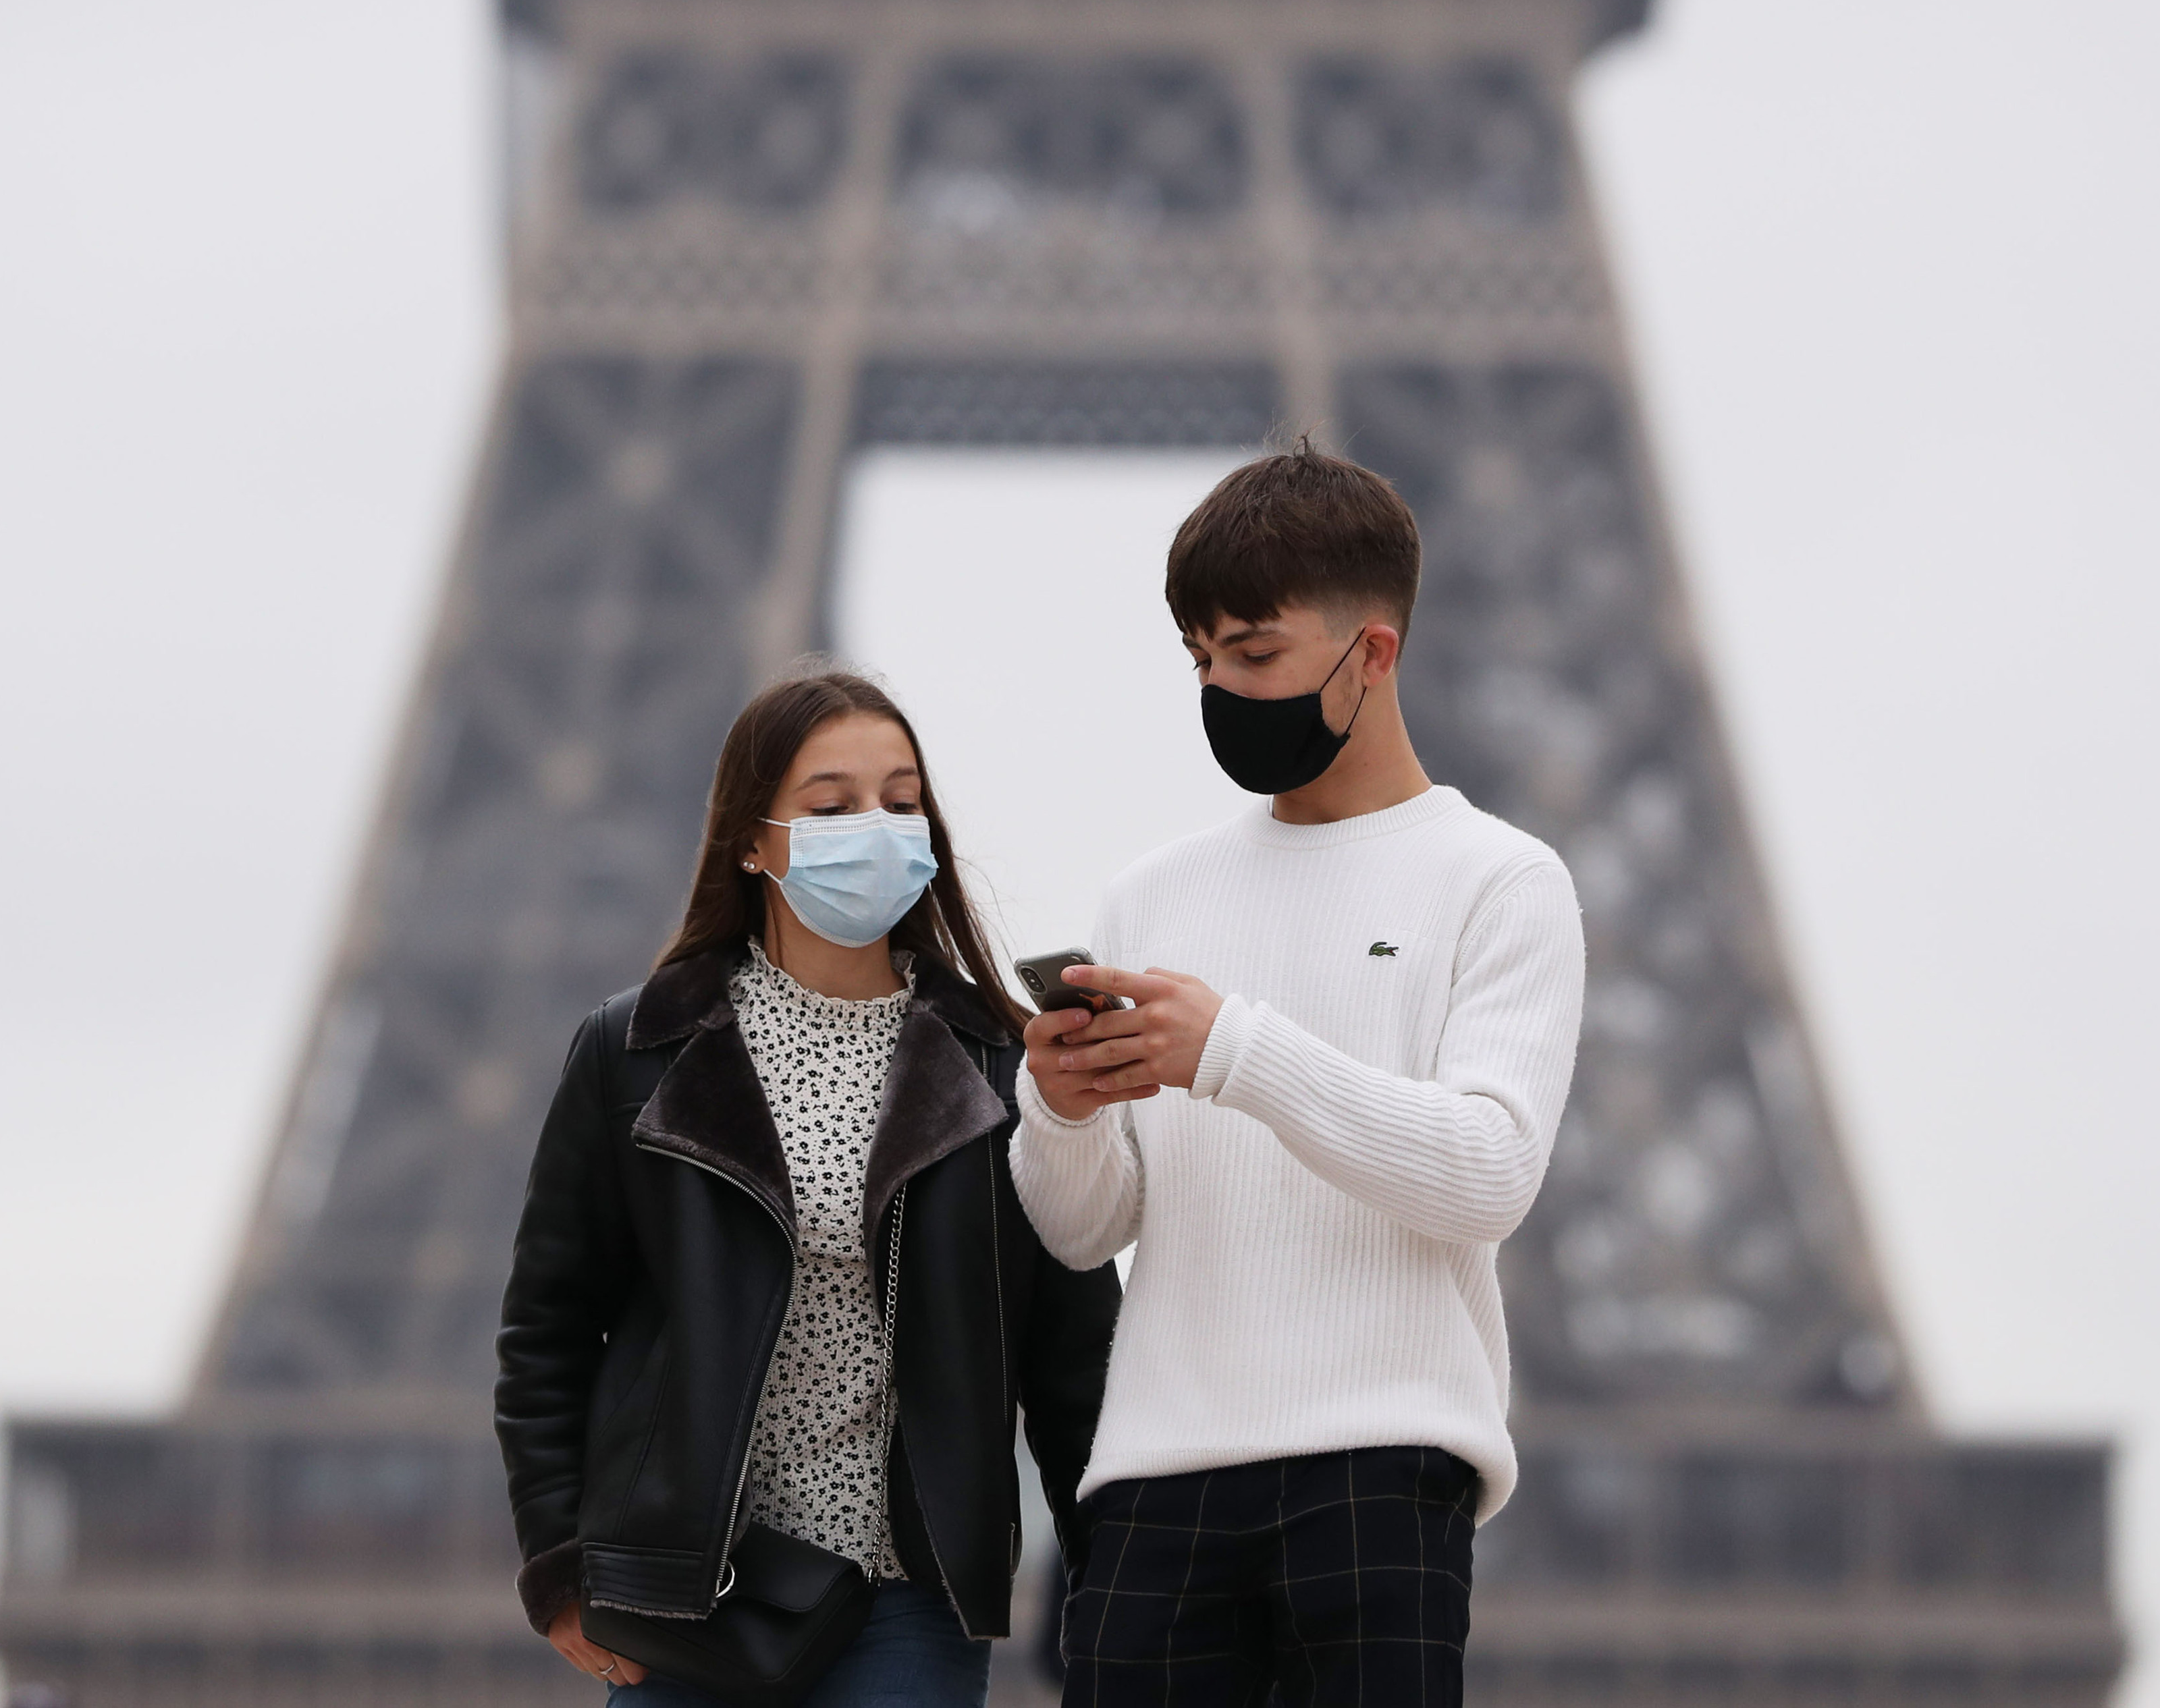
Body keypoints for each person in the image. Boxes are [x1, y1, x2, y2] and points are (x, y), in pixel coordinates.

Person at [1010, 441, 1586, 1708]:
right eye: (1201, 659)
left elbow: (1487, 1171)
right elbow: (1081, 1227)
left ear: (1371, 653)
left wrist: (1236, 1053)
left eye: (1255, 653)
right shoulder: (1154, 893)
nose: (1221, 687)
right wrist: (1058, 1107)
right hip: (1156, 1480)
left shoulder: (1500, 881)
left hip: (1382, 1469)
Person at [496, 669, 1122, 1707]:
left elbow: (1074, 1356)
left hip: (910, 1596)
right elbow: (548, 1332)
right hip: (689, 1587)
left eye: (902, 799)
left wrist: (1110, 1582)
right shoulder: (636, 1051)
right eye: (833, 806)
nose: (875, 827)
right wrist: (561, 1565)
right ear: (753, 839)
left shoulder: (1003, 1064)